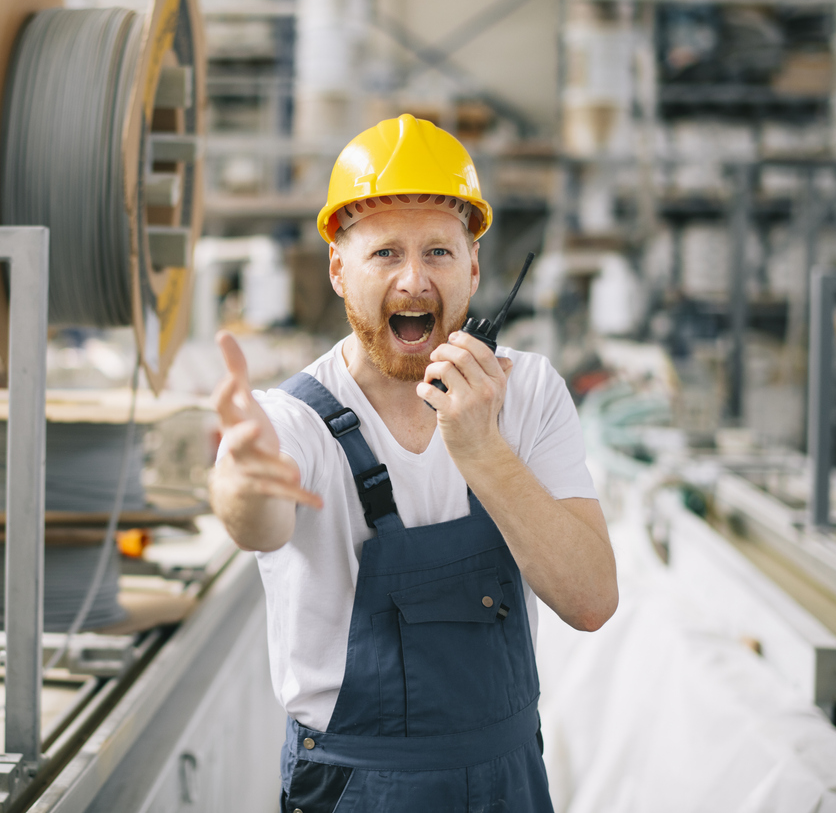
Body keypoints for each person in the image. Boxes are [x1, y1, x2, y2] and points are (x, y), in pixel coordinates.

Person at [210, 114, 618, 811]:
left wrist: (484, 448)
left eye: (438, 252)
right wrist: (245, 481)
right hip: (353, 789)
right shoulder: (295, 418)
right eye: (384, 254)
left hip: (507, 782)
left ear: (474, 267)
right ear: (338, 270)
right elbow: (258, 521)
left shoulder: (530, 393)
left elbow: (590, 600)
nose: (413, 281)